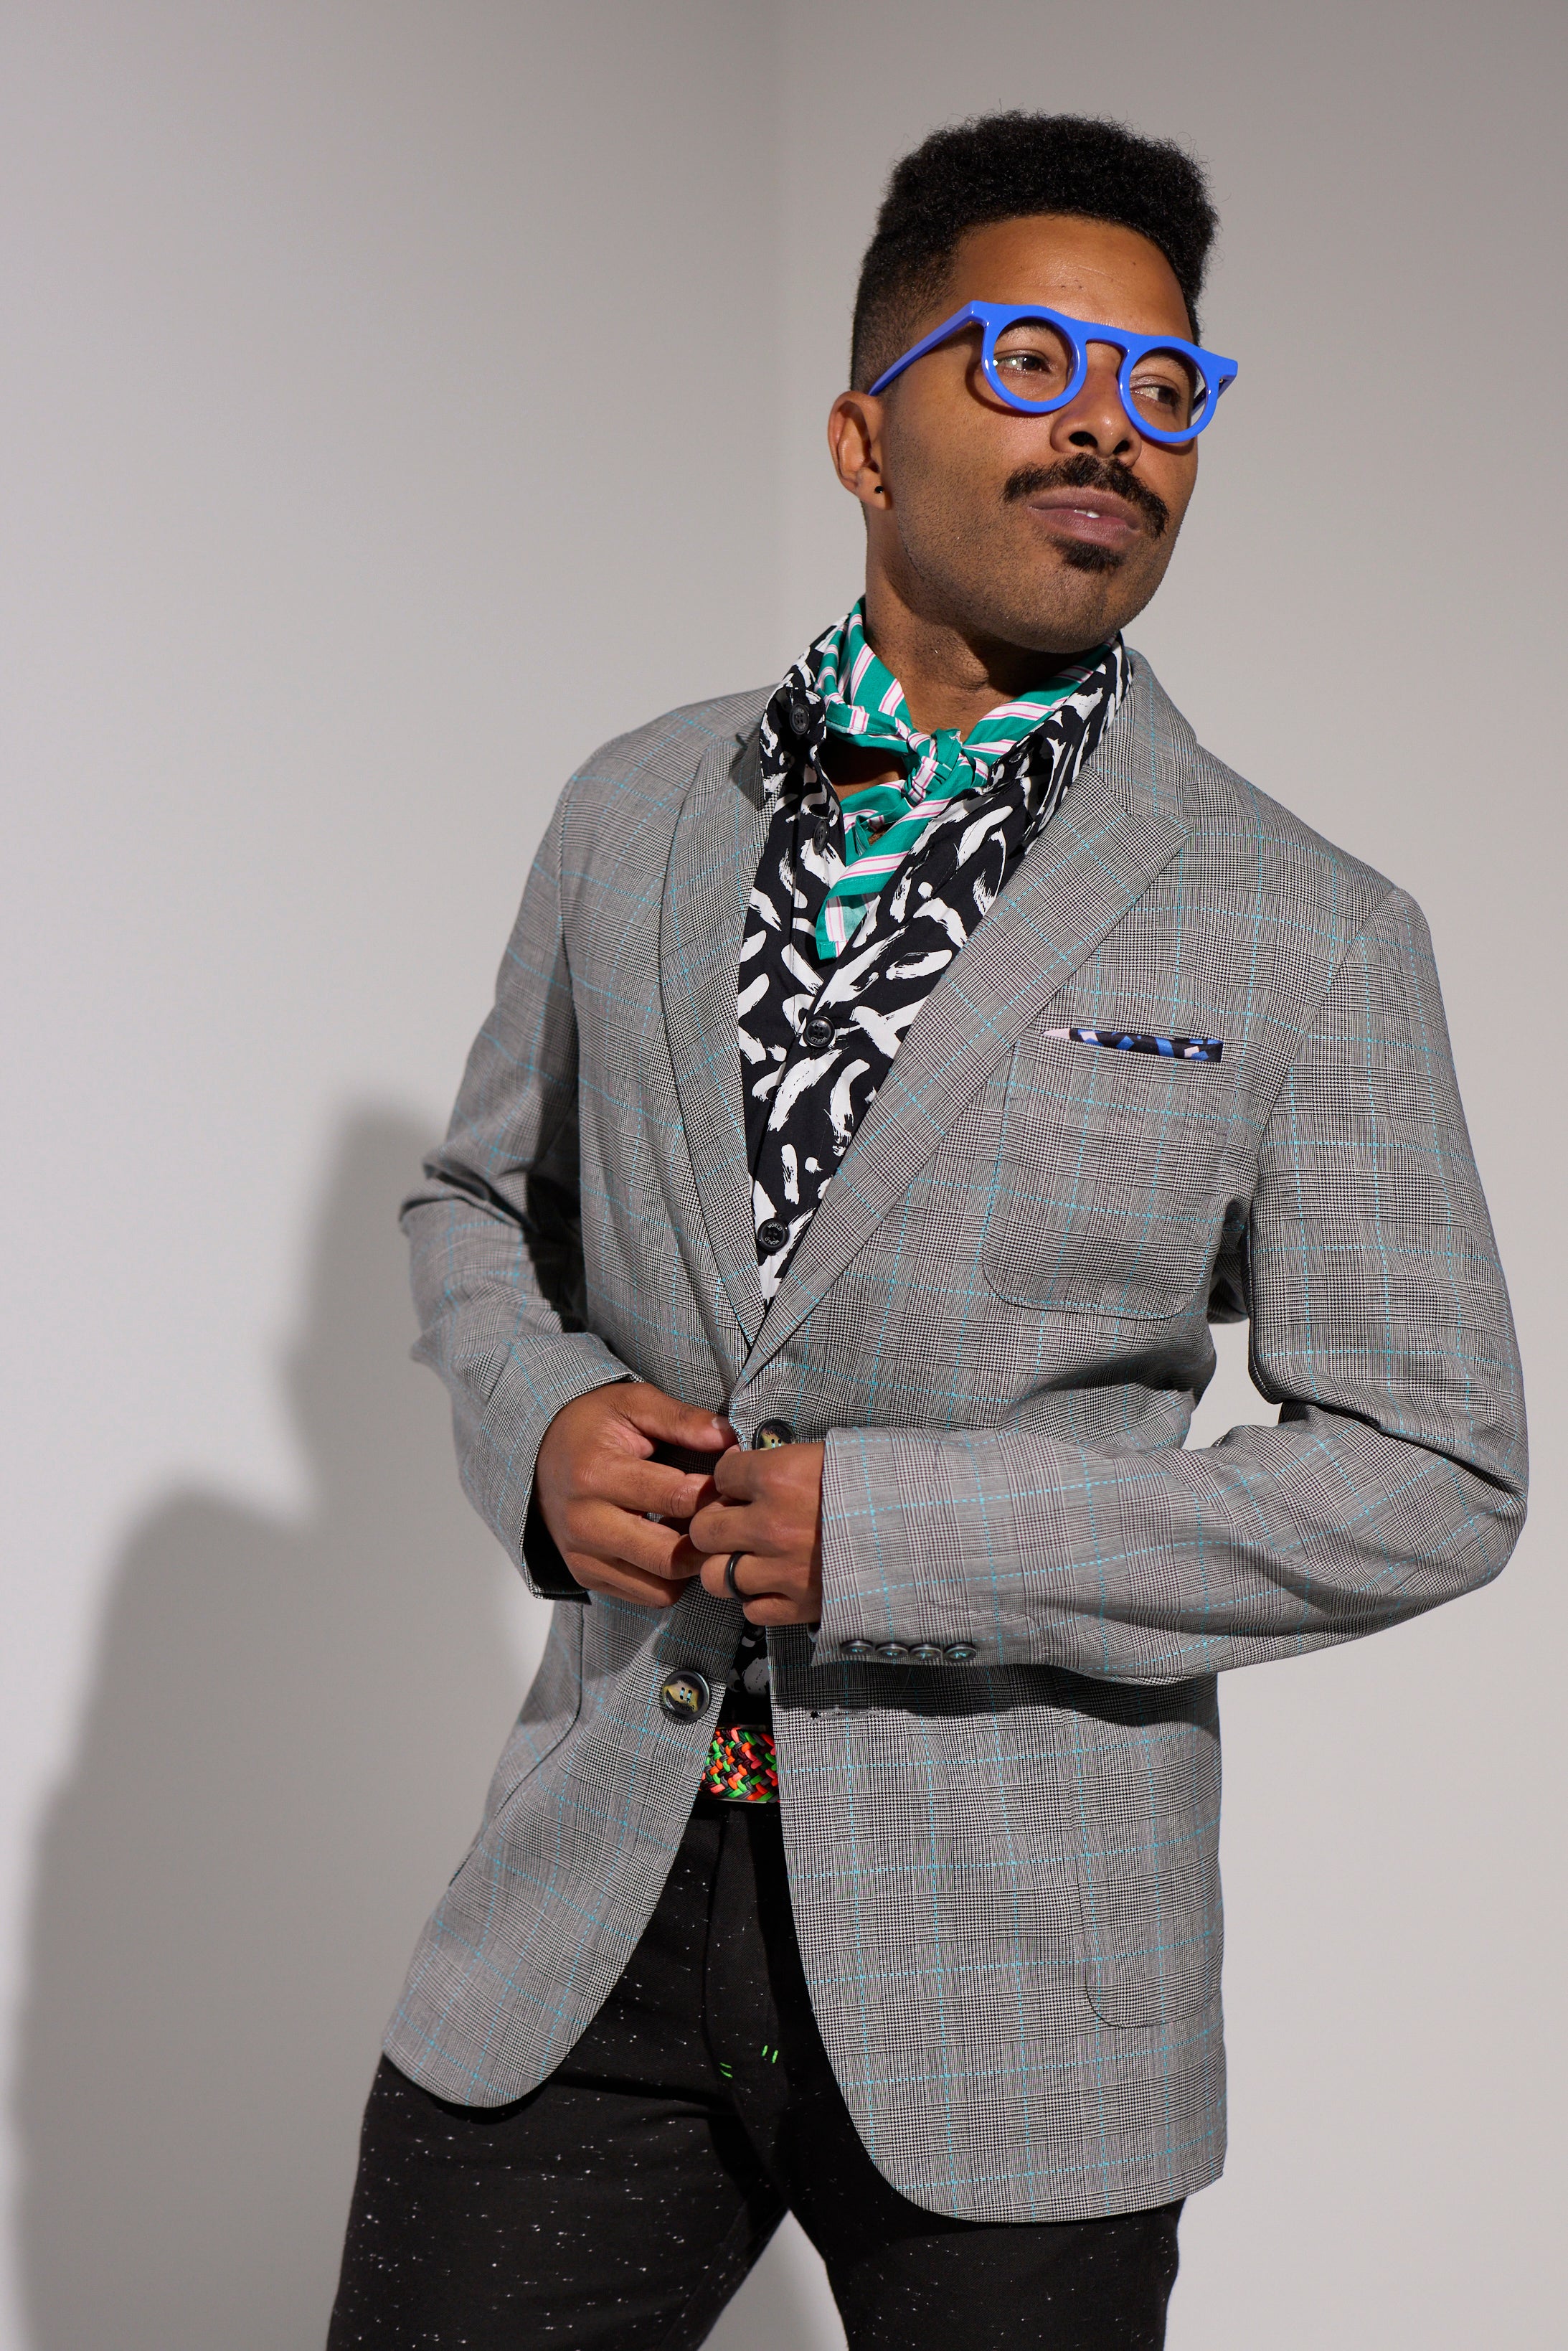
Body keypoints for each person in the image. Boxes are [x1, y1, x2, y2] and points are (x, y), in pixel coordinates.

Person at [327, 111, 1526, 2350]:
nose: (1106, 425)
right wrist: (544, 1426)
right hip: (580, 1923)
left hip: (1024, 1995)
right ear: (863, 435)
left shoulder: (1309, 928)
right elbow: (482, 1201)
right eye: (1032, 361)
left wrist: (903, 1538)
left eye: (1163, 384)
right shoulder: (634, 810)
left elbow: (1431, 1469)